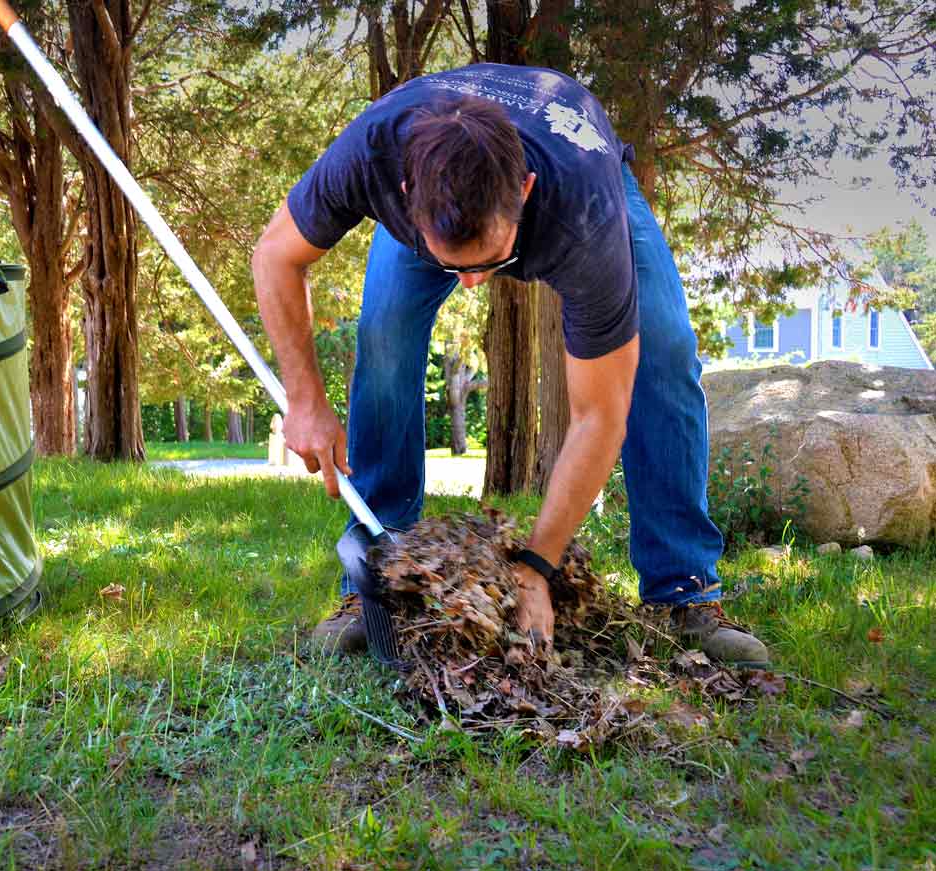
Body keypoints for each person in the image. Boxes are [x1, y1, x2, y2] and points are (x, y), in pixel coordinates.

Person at [250, 63, 769, 667]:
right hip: (432, 171)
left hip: (579, 156)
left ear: (522, 191)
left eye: (486, 260)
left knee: (664, 348)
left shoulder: (583, 214)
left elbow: (600, 414)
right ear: (404, 198)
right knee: (385, 334)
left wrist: (535, 567)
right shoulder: (371, 154)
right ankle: (376, 586)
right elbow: (275, 257)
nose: (472, 286)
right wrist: (306, 399)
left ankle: (685, 590)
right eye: (452, 263)